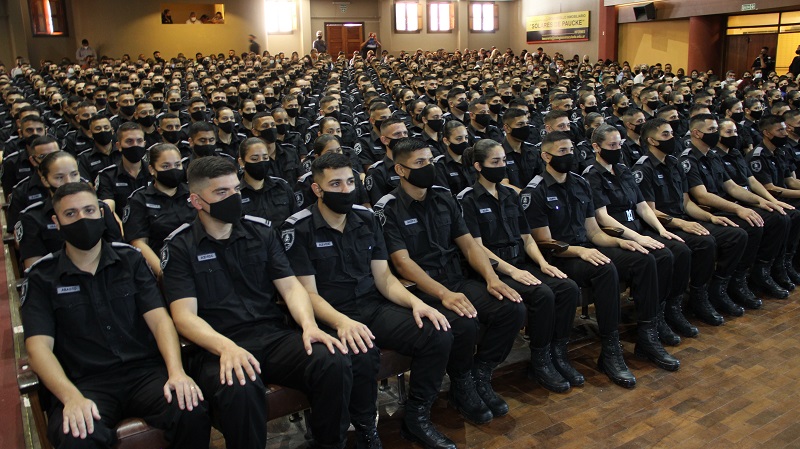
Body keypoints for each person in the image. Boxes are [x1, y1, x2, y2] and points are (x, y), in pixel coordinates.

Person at [161, 156, 351, 449]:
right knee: (240, 385)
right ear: (197, 201)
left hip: (270, 334)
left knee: (332, 360)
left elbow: (291, 287)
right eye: (221, 192)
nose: (233, 198)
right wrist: (226, 347)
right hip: (216, 345)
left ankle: (330, 444)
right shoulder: (180, 246)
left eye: (236, 190)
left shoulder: (261, 232)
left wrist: (309, 325)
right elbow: (184, 316)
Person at [283, 152, 455, 449]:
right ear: (317, 189)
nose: (346, 190)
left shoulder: (366, 219)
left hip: (371, 306)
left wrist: (416, 303)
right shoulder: (299, 228)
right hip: (331, 314)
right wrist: (343, 322)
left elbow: (384, 277)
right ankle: (365, 427)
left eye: (350, 182)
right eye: (335, 184)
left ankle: (417, 416)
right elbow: (307, 293)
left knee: (436, 331)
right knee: (363, 353)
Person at [20, 182, 210, 449]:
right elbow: (38, 348)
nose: (82, 219)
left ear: (101, 213)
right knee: (77, 437)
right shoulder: (42, 277)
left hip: (143, 373)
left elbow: (160, 321)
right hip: (84, 382)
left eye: (89, 210)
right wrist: (71, 397)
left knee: (191, 409)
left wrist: (176, 372)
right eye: (71, 214)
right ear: (57, 222)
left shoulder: (130, 260)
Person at [373, 137, 525, 425]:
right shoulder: (388, 208)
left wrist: (491, 278)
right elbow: (403, 263)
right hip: (423, 288)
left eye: (430, 161)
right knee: (464, 323)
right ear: (401, 170)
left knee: (511, 308)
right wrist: (443, 294)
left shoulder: (444, 197)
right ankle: (462, 384)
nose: (428, 167)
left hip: (456, 278)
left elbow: (468, 244)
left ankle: (480, 375)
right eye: (420, 163)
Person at [522, 131, 680, 389]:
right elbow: (544, 242)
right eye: (562, 151)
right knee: (605, 269)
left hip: (587, 249)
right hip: (560, 256)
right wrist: (580, 251)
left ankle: (647, 335)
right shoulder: (536, 190)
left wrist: (620, 242)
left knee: (643, 258)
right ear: (546, 156)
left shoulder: (579, 183)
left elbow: (594, 232)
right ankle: (610, 349)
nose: (569, 155)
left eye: (571, 150)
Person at [457, 140, 583, 391]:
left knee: (567, 287)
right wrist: (512, 271)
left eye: (504, 160)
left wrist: (542, 263)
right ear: (478, 166)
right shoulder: (468, 200)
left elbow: (527, 237)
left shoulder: (510, 195)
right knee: (542, 294)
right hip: (494, 268)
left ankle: (557, 353)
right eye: (495, 162)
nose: (502, 166)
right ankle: (540, 360)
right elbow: (477, 247)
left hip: (520, 262)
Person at [581, 125, 692, 346]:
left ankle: (667, 310)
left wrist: (661, 230)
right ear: (596, 147)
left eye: (619, 144)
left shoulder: (623, 169)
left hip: (638, 227)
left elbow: (642, 206)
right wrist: (636, 238)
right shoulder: (592, 175)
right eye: (612, 145)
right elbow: (602, 217)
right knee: (652, 258)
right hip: (616, 234)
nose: (617, 149)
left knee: (679, 250)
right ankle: (648, 324)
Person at [124, 143, 196, 278]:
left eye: (177, 165)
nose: (173, 170)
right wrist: (163, 274)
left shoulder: (193, 193)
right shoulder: (139, 199)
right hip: (162, 266)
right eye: (166, 166)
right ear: (152, 169)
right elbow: (139, 242)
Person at [237, 137, 298, 226]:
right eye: (254, 159)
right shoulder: (236, 194)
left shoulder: (282, 186)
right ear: (242, 162)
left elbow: (296, 219)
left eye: (265, 158)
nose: (261, 162)